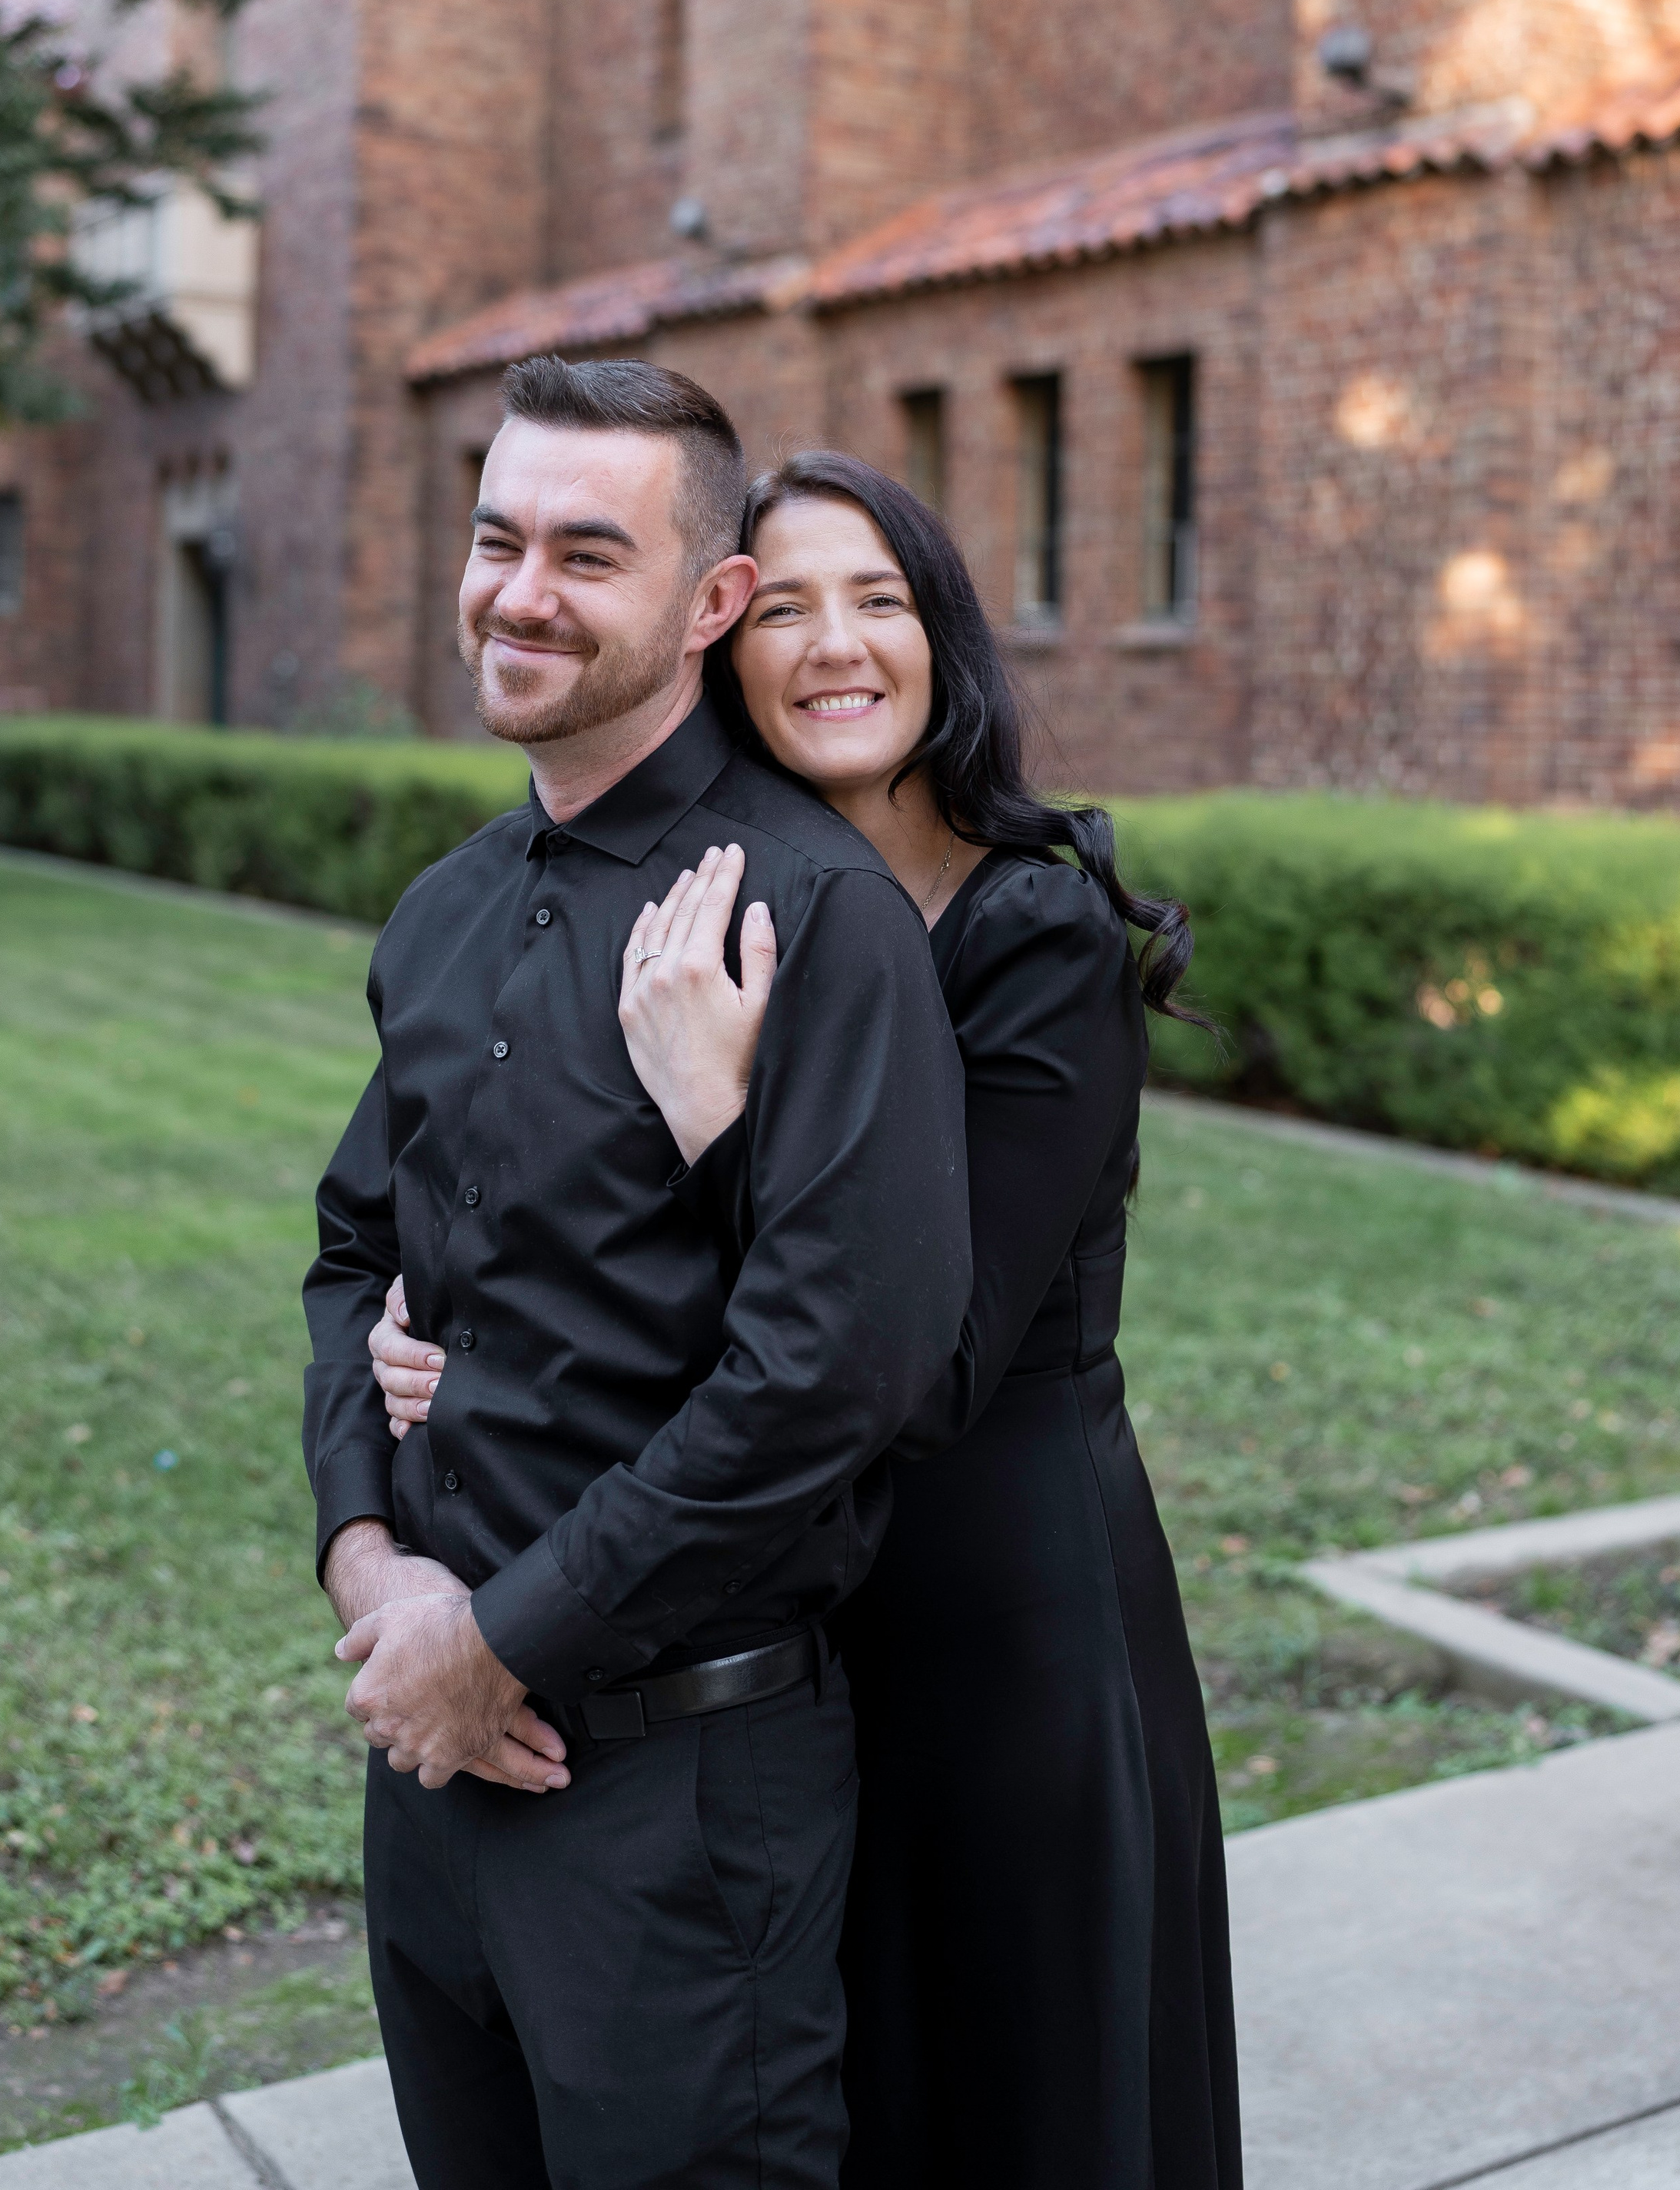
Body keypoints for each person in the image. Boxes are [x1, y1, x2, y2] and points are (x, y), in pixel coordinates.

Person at [374, 450, 1244, 2189]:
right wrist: (455, 1326)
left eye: (880, 602)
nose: (833, 645)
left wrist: (720, 1122)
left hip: (1001, 1611)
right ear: (719, 639)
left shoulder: (1036, 938)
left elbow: (916, 1359)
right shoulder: (732, 913)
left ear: (945, 645)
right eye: (782, 607)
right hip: (785, 1607)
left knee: (1017, 2086)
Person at [303, 364, 975, 2190]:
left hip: (683, 1800)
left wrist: (493, 1638)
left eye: (585, 553)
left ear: (707, 604)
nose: (518, 590)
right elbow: (351, 1250)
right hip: (434, 1768)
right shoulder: (443, 908)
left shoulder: (810, 918)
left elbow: (841, 1369)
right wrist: (369, 1555)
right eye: (496, 536)